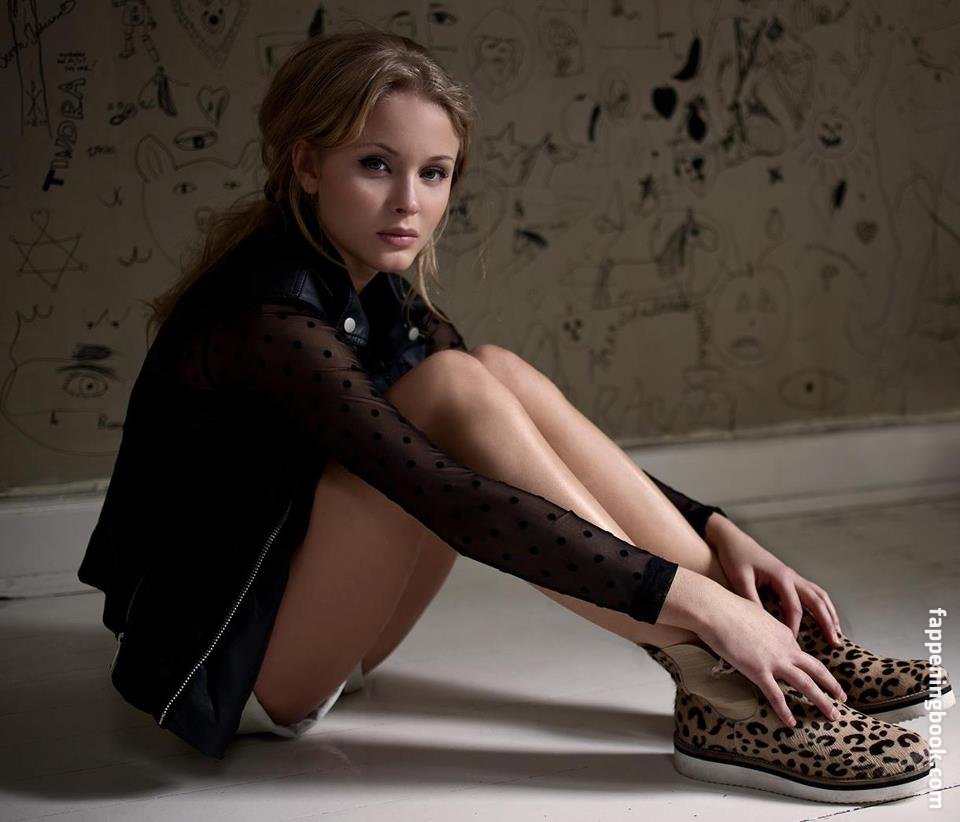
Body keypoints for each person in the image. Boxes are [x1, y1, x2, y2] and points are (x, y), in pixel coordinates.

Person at [78, 29, 939, 801]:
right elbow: (452, 495)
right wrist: (703, 608)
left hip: (328, 622)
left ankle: (758, 646)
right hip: (239, 664)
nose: (409, 202)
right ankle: (727, 685)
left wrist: (716, 531)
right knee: (452, 389)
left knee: (489, 372)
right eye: (375, 165)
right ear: (307, 165)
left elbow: (521, 452)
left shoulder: (371, 287)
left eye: (434, 173)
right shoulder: (268, 318)